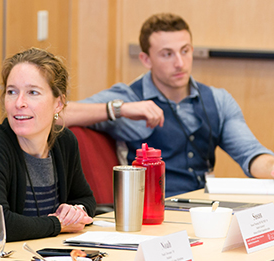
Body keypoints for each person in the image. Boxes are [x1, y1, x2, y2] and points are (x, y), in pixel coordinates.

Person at [61, 13, 274, 197]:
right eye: (167, 54)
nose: (180, 63)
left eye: (185, 50)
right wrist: (119, 109)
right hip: (151, 215)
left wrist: (271, 167)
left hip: (205, 209)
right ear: (146, 59)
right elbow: (56, 114)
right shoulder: (128, 97)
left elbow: (251, 154)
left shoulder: (218, 100)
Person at [0, 48, 96, 242]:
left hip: (46, 259)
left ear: (59, 103)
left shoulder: (64, 142)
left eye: (32, 92)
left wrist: (76, 211)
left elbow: (85, 199)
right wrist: (58, 224)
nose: (19, 103)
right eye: (12, 92)